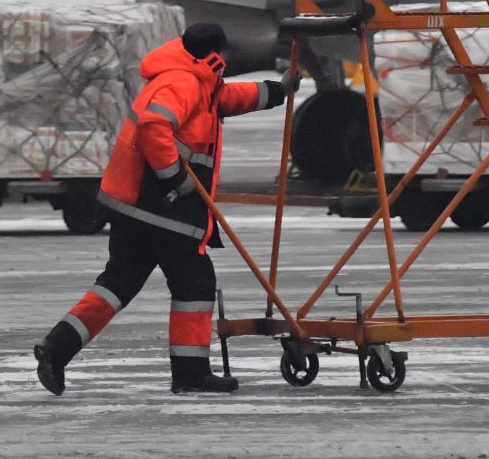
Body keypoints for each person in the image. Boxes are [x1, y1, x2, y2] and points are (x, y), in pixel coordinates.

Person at [33, 21, 299, 396]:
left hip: (135, 207)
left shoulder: (193, 77)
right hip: (163, 207)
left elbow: (224, 98)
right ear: (214, 54)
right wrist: (175, 178)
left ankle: (57, 348)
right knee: (195, 283)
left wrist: (277, 90)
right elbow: (153, 126)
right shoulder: (182, 82)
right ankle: (191, 374)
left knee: (118, 283)